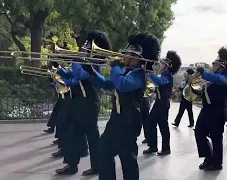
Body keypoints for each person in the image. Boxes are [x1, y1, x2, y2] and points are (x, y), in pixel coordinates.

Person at [96, 32, 160, 180]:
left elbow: (122, 85)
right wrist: (92, 73)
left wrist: (115, 68)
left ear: (137, 58)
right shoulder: (126, 72)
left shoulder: (139, 75)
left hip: (129, 122)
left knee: (128, 161)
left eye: (128, 54)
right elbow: (108, 83)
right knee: (104, 152)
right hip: (116, 121)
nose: (124, 56)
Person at [53, 30, 111, 175]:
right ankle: (72, 165)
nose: (83, 47)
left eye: (87, 45)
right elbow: (72, 77)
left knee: (91, 137)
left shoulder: (92, 64)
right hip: (82, 103)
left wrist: (75, 59)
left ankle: (92, 166)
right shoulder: (83, 62)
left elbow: (78, 77)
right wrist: (59, 68)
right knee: (75, 134)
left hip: (89, 103)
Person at [194, 47, 227, 171]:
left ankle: (217, 162)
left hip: (217, 111)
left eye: (214, 64)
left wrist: (203, 72)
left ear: (221, 66)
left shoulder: (224, 77)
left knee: (216, 136)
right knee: (199, 132)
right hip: (207, 109)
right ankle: (208, 157)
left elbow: (219, 80)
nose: (212, 66)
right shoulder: (212, 78)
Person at [143, 51, 182, 155]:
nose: (160, 65)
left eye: (162, 64)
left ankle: (155, 147)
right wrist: (154, 89)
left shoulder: (167, 75)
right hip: (162, 103)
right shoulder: (165, 74)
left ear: (166, 66)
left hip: (161, 104)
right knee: (161, 126)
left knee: (153, 124)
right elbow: (162, 87)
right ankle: (163, 148)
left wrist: (150, 73)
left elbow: (161, 82)